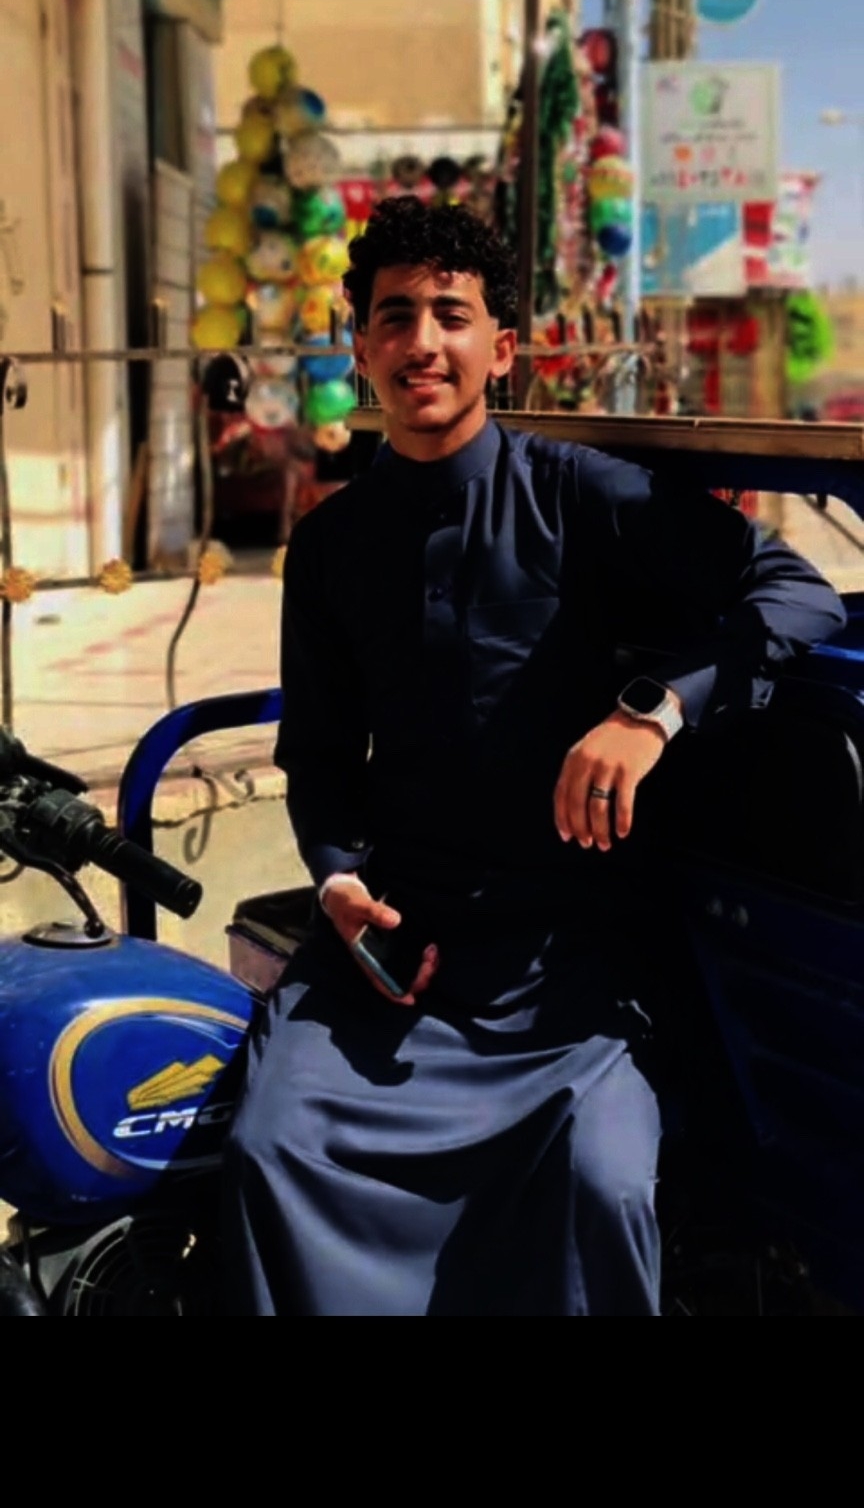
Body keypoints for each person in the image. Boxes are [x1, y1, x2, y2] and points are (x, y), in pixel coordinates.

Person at [223, 197, 846, 1317]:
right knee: (271, 1147)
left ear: (501, 349)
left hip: (574, 963)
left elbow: (793, 589)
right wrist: (339, 882)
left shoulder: (580, 493)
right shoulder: (329, 548)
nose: (422, 343)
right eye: (395, 316)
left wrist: (653, 712)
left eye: (450, 315)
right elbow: (317, 756)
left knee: (602, 1184)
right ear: (361, 346)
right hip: (396, 956)